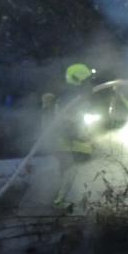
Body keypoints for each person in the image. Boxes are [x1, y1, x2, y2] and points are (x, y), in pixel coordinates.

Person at [45, 62, 98, 207]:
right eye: (87, 81)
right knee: (69, 177)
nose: (90, 85)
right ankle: (59, 205)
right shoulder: (68, 99)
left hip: (77, 145)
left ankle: (75, 204)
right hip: (68, 145)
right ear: (79, 81)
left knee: (79, 178)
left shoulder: (80, 98)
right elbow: (68, 122)